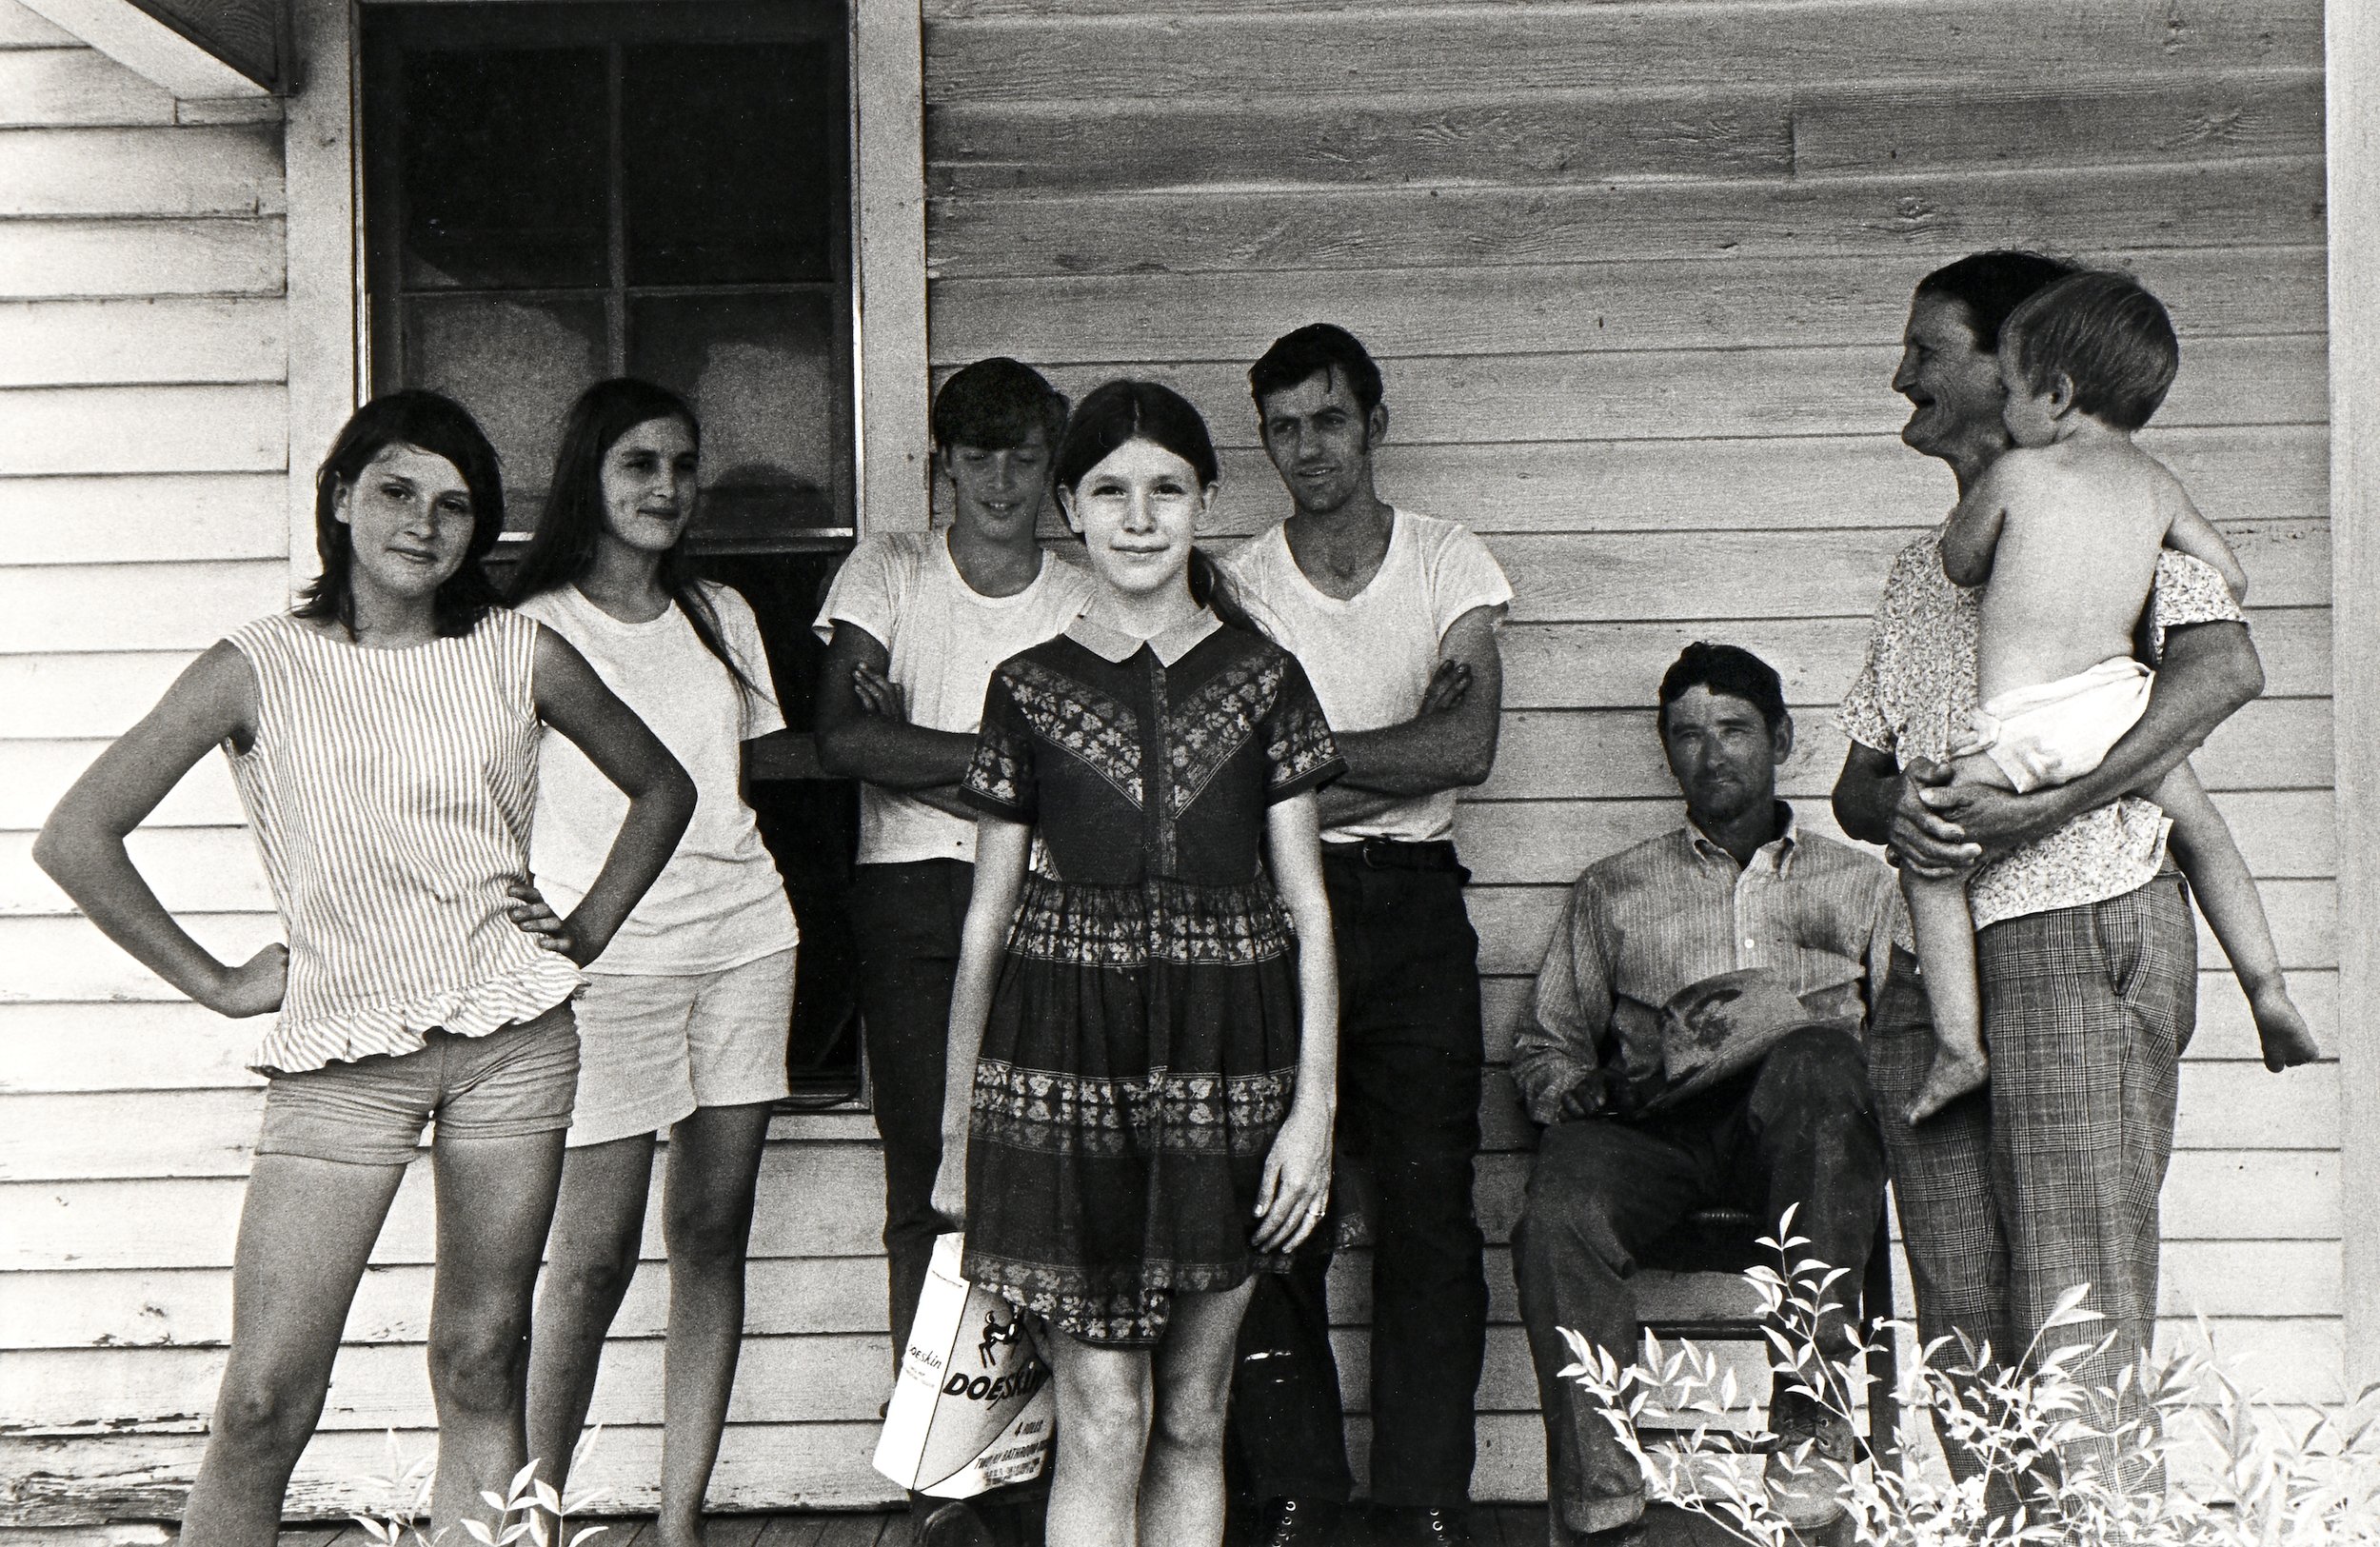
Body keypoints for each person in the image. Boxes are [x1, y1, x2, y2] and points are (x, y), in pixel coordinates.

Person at [32, 392, 695, 1547]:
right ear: (340, 498)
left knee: (482, 1357)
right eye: (395, 491)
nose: (422, 524)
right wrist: (220, 980)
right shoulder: (257, 665)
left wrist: (584, 927)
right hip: (342, 1053)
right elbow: (77, 834)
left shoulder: (516, 652)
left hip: (511, 1043)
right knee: (261, 1397)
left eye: (454, 505)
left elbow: (663, 787)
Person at [1833, 250, 2273, 1491]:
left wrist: (2044, 806)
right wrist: (1903, 815)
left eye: (1927, 350)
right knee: (1965, 1330)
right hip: (1931, 970)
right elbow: (1857, 782)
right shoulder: (1918, 570)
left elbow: (2224, 669)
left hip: (2080, 931)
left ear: (2017, 366)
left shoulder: (2125, 509)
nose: (1900, 376)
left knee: (2077, 1323)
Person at [931, 380, 1343, 1547]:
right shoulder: (1027, 686)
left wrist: (1312, 1113)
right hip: (1063, 1068)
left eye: (1166, 488)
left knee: (1195, 1414)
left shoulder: (1264, 678)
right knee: (1105, 1414)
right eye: (1110, 490)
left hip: (1230, 1063)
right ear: (1069, 505)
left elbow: (1309, 906)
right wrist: (958, 1131)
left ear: (1206, 498)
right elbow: (985, 918)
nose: (1139, 516)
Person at [1894, 270, 2314, 1123]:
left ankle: (1959, 1045)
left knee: (1930, 855)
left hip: (2029, 724)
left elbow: (1961, 563)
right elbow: (2229, 577)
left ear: (2054, 394)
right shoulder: (2158, 484)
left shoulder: (2018, 476)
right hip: (2119, 701)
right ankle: (2268, 985)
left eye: (2014, 390)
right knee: (2203, 832)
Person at [1220, 323, 1510, 1547]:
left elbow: (1465, 746)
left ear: (1375, 424)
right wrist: (1377, 755)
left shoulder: (1447, 559)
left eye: (1329, 419)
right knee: (1273, 1195)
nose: (1308, 448)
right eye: (1283, 427)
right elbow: (1234, 790)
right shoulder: (1238, 585)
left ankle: (1424, 1492)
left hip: (1414, 902)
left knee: (1428, 1202)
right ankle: (1298, 1487)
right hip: (1281, 907)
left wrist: (1298, 764)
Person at [1511, 644, 1900, 1542]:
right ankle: (1604, 1498)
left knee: (1819, 1058)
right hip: (1659, 1135)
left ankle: (1809, 1416)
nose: (1711, 753)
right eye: (1687, 735)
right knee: (1557, 1209)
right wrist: (1578, 1090)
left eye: (1734, 729)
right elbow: (1545, 1044)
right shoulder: (1615, 887)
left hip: (1807, 1142)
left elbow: (1907, 1041)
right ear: (1666, 751)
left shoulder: (1863, 884)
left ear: (1782, 739)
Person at [508, 379, 803, 1546]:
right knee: (589, 1256)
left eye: (682, 465)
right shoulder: (530, 625)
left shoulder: (720, 612)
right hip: (606, 960)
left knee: (713, 1229)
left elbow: (758, 770)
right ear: (588, 474)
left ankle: (681, 1519)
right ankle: (533, 1517)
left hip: (745, 937)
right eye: (639, 464)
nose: (665, 487)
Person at [811, 357, 1094, 1543]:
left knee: (1059, 1184)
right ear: (942, 464)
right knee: (934, 1179)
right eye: (976, 456)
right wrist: (1020, 765)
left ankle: (1048, 1474)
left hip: (1057, 901)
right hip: (915, 896)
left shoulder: (1085, 592)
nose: (1000, 479)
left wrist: (927, 749)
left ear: (1053, 466)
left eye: (1023, 455)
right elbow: (843, 736)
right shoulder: (888, 570)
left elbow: (1102, 770)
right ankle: (943, 1484)